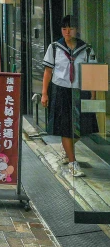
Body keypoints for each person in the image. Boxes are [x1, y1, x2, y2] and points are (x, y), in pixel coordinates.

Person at [41, 15, 98, 178]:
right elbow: (48, 72)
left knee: (83, 128)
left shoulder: (87, 49)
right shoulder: (54, 48)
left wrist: (93, 93)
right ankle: (73, 163)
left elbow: (92, 72)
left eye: (71, 28)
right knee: (66, 129)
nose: (67, 31)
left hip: (82, 91)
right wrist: (44, 93)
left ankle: (66, 149)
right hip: (61, 91)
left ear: (77, 30)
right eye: (64, 28)